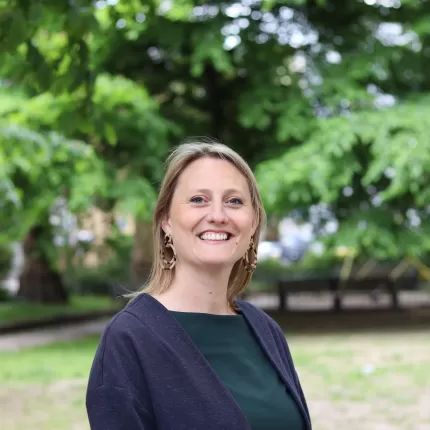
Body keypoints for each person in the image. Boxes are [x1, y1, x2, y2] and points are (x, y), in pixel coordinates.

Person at [86, 139, 312, 430]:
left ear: (253, 221)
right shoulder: (128, 339)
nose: (218, 215)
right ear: (166, 219)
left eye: (234, 201)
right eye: (198, 200)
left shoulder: (264, 329)